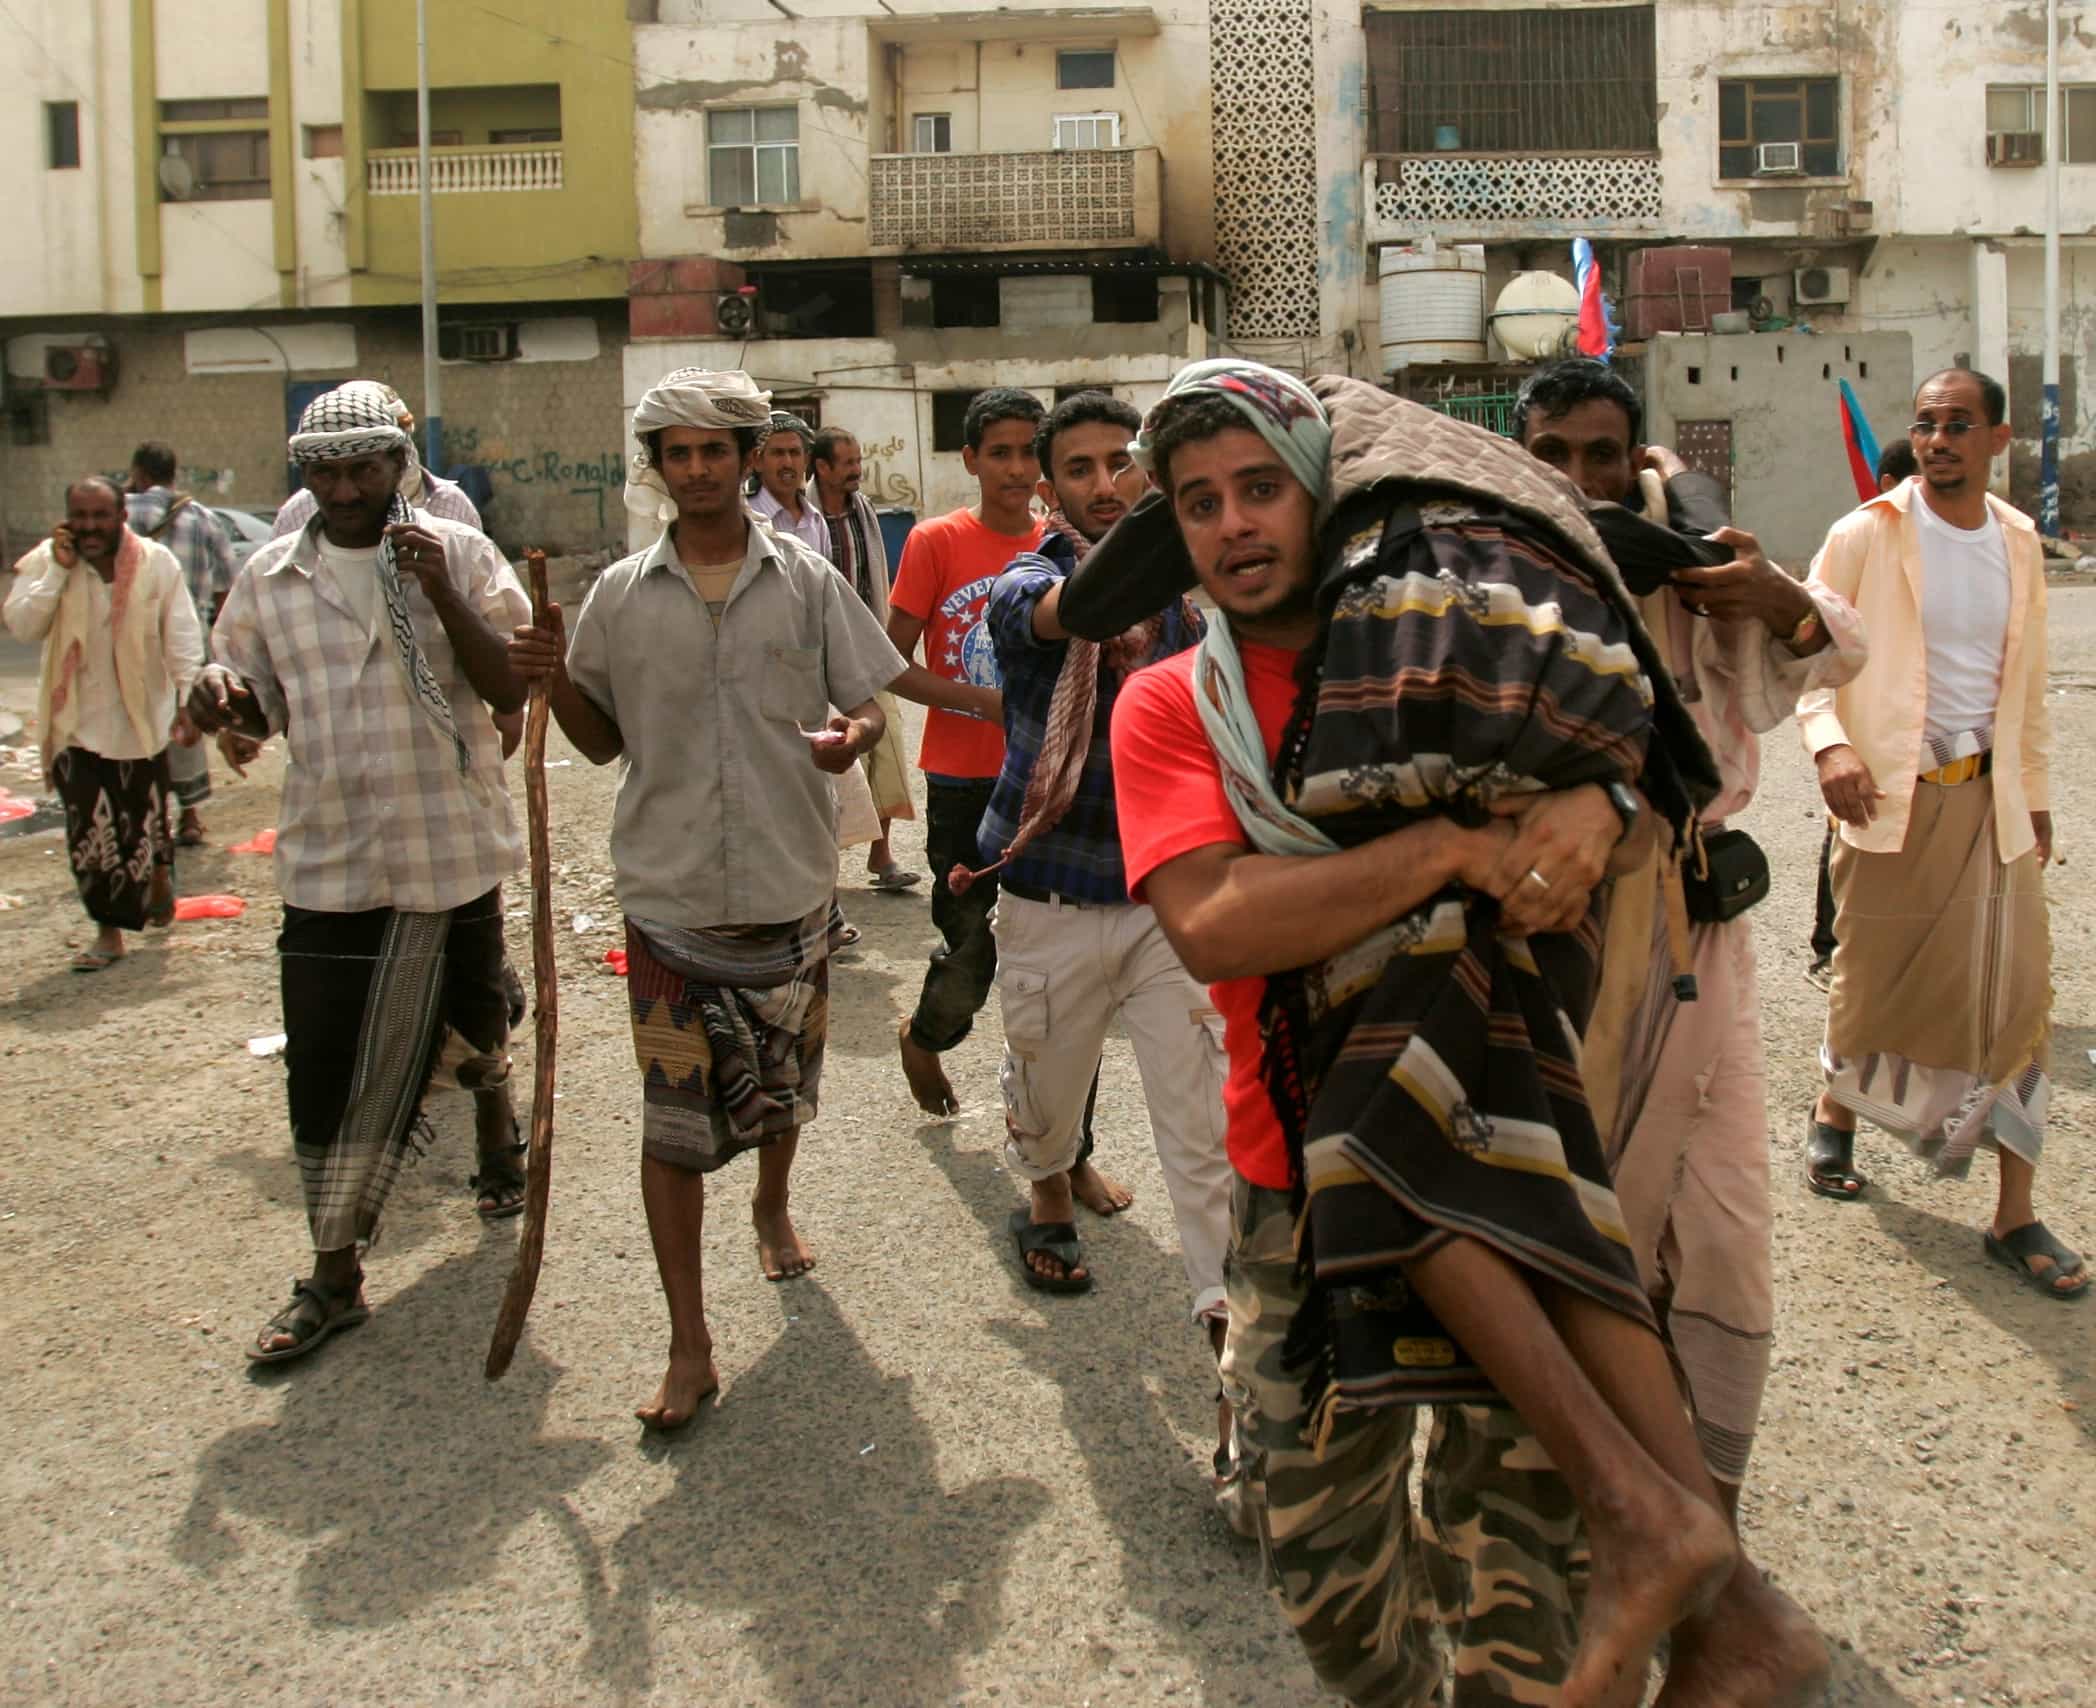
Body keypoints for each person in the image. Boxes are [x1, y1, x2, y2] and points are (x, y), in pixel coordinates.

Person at [1109, 358, 1826, 1704]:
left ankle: (1678, 1574)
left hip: (1525, 1161)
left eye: (1262, 487)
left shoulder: (1446, 642)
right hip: (1289, 1197)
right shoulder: (1165, 707)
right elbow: (1217, 925)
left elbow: (1610, 805)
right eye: (1198, 504)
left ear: (1328, 494)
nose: (1234, 526)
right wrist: (1449, 845)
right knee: (1324, 1575)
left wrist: (1605, 813)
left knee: (1519, 1585)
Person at [507, 368, 907, 1429]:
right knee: (671, 1122)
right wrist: (551, 679)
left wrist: (851, 740)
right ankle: (689, 1341)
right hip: (670, 901)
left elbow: (866, 703)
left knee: (783, 1088)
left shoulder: (809, 581)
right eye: (674, 454)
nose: (693, 470)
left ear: (744, 461)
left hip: (786, 885)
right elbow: (599, 743)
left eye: (711, 452)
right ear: (657, 469)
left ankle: (772, 1202)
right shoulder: (617, 598)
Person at [1513, 358, 1866, 1514]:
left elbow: (1832, 648)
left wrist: (1763, 590)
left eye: (1601, 453)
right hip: (1557, 935)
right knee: (1587, 1204)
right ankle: (1592, 1491)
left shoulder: (1692, 573)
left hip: (1700, 934)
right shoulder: (1487, 567)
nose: (1576, 477)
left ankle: (1701, 1505)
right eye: (1551, 453)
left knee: (1720, 1224)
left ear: (1634, 457)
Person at [186, 385, 530, 1364]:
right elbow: (255, 708)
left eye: (362, 470)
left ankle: (497, 1132)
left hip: (447, 843)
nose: (343, 489)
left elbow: (508, 684)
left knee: (475, 1020)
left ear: (397, 467)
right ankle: (333, 1271)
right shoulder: (270, 575)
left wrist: (438, 593)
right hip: (330, 855)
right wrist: (222, 702)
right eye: (324, 472)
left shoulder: (457, 551)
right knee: (326, 1066)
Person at [966, 389, 1236, 1459]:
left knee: (1205, 1139)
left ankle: (1233, 1380)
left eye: (1119, 461)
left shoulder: (1199, 585)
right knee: (1044, 1085)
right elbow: (1060, 612)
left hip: (1171, 899)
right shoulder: (1029, 583)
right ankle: (1045, 1186)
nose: (1101, 482)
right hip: (1050, 886)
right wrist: (1159, 527)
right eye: (1075, 468)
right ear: (1046, 484)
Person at [1800, 368, 2086, 1299]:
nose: (1938, 440)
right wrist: (1831, 746)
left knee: (2020, 1002)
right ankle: (1833, 1108)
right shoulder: (1865, 534)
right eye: (1925, 424)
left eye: (1959, 425)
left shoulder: (2018, 541)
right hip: (1889, 799)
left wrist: (2033, 794)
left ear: (1997, 440)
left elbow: (2028, 682)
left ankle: (2014, 1212)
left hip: (1991, 803)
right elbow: (1807, 657)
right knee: (1868, 978)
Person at [885, 388, 1046, 1115]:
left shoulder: (1059, 546)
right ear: (971, 459)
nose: (1017, 468)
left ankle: (1050, 1133)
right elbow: (889, 663)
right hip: (961, 785)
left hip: (1044, 785)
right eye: (1001, 452)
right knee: (969, 948)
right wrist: (985, 703)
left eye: (1029, 451)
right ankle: (924, 1039)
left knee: (1050, 964)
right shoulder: (935, 542)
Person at [6, 476, 202, 971]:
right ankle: (107, 931)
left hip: (142, 723)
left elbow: (180, 633)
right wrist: (58, 570)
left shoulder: (157, 565)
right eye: (81, 516)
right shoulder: (48, 562)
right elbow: (23, 625)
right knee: (89, 832)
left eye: (100, 517)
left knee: (139, 824)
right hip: (74, 725)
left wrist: (187, 701)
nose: (90, 527)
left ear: (121, 518)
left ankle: (159, 870)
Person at [1808, 436, 1920, 986]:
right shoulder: (1857, 538)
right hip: (1862, 730)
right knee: (1848, 833)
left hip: (1917, 735)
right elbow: (1807, 645)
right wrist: (1831, 741)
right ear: (1888, 486)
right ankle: (1830, 952)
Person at [811, 426, 919, 891]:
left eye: (858, 461)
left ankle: (882, 855)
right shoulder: (804, 516)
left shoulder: (864, 511)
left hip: (866, 643)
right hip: (817, 653)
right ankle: (821, 871)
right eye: (848, 463)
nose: (858, 470)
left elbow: (877, 574)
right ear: (823, 468)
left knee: (887, 745)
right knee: (822, 756)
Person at [124, 441, 236, 847]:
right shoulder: (203, 518)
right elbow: (227, 586)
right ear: (173, 474)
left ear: (139, 473)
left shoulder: (119, 513)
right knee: (185, 722)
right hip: (187, 639)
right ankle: (188, 818)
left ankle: (144, 819)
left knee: (135, 726)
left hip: (128, 642)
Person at [270, 381, 482, 538]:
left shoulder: (451, 503)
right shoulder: (298, 511)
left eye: (365, 469)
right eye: (326, 471)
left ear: (398, 457)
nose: (346, 495)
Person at [748, 411, 831, 557]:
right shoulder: (746, 517)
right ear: (758, 461)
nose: (787, 463)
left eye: (794, 453)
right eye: (778, 453)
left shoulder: (815, 521)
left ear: (806, 460)